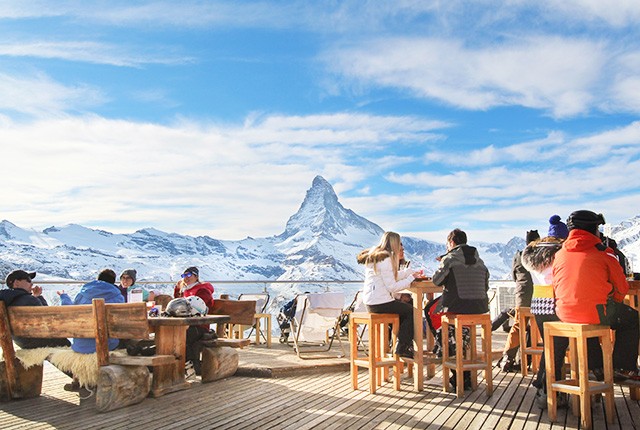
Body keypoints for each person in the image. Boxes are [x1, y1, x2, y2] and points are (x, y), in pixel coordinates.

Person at [552, 210, 639, 381]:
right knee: (631, 318)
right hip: (594, 312)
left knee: (587, 317)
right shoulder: (603, 252)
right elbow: (622, 287)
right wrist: (613, 303)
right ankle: (622, 368)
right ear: (593, 229)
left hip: (564, 313)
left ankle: (597, 367)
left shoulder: (560, 254)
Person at [432, 228, 490, 390]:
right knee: (459, 328)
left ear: (451, 242)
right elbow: (485, 285)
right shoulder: (481, 261)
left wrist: (442, 263)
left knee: (433, 315)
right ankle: (465, 369)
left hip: (457, 307)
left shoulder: (449, 259)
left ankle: (459, 372)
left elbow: (436, 281)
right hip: (479, 308)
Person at [357, 231, 422, 359]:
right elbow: (392, 286)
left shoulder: (378, 256)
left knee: (404, 311)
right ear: (394, 243)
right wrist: (410, 279)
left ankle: (400, 345)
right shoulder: (386, 259)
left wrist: (409, 273)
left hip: (371, 302)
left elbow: (392, 276)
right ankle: (402, 346)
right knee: (412, 311)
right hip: (380, 302)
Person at [521, 235, 565, 408]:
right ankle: (545, 389)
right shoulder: (559, 255)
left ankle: (546, 389)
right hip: (555, 301)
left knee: (551, 347)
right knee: (557, 348)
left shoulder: (532, 257)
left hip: (538, 304)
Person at [500, 229, 540, 372]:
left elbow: (514, 276)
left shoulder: (518, 256)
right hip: (539, 296)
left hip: (522, 296)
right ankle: (540, 360)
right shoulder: (541, 254)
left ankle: (507, 358)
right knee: (541, 326)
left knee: (518, 326)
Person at [58, 269, 125, 353]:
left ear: (98, 279)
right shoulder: (118, 297)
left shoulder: (82, 294)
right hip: (107, 345)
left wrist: (64, 297)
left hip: (81, 345)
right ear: (113, 282)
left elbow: (70, 312)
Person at [0, 270, 71, 349]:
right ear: (16, 283)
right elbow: (49, 320)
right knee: (65, 343)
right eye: (28, 280)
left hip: (22, 343)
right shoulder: (30, 300)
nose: (32, 283)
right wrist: (39, 297)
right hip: (40, 342)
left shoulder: (7, 301)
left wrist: (35, 296)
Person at [172, 266, 215, 375]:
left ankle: (191, 364)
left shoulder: (202, 290)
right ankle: (187, 364)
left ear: (196, 276)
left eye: (189, 275)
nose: (186, 278)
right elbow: (177, 303)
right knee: (172, 334)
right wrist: (177, 289)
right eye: (183, 276)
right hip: (188, 324)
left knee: (184, 335)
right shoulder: (185, 290)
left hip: (200, 326)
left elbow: (202, 306)